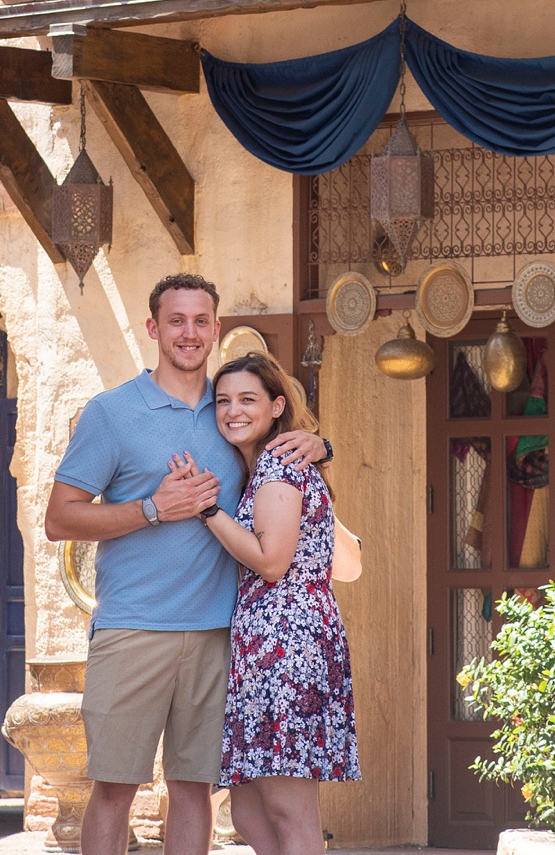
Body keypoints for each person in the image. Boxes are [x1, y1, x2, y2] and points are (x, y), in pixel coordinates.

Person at [44, 274, 332, 855]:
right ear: (154, 328)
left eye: (201, 321)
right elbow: (60, 520)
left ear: (216, 329)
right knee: (114, 790)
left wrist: (322, 444)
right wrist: (153, 508)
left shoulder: (231, 412)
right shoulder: (111, 412)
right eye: (176, 321)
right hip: (133, 628)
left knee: (194, 789)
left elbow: (285, 465)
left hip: (218, 633)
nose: (189, 333)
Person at [180, 351, 360, 855]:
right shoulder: (267, 463)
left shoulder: (279, 464)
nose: (233, 410)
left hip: (288, 641)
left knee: (287, 809)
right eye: (223, 401)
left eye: (248, 399)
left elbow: (271, 560)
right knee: (251, 811)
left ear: (277, 406)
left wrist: (208, 510)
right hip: (265, 641)